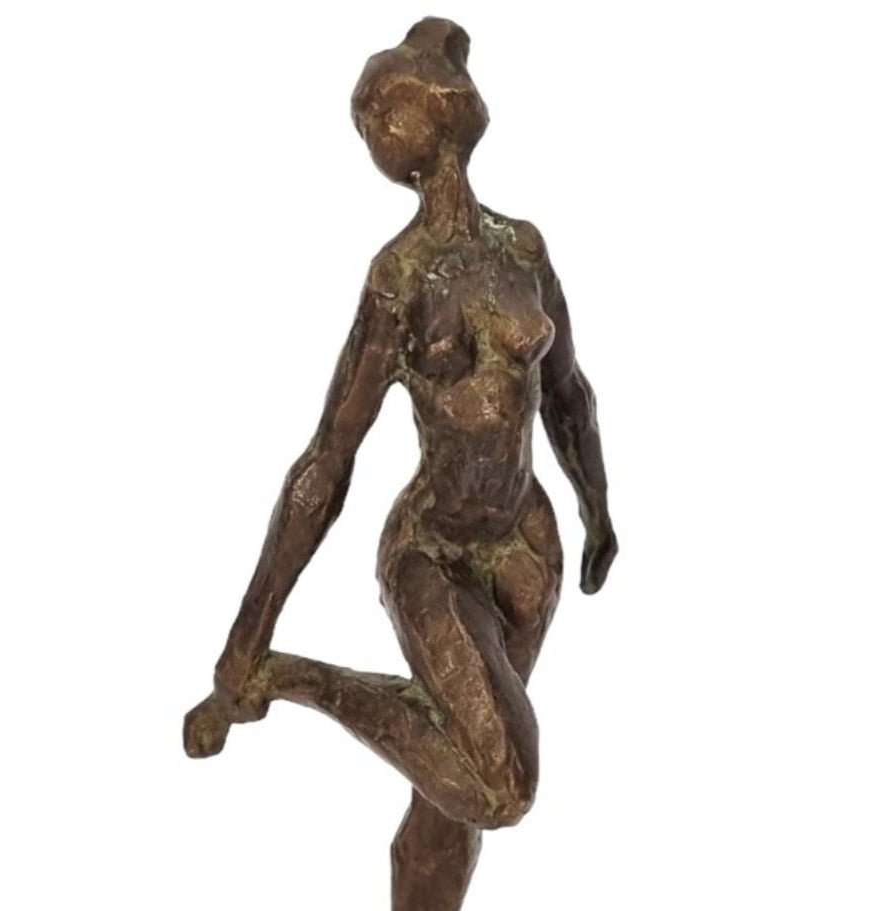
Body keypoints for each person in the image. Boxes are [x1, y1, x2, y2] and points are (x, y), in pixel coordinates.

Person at [184, 17, 617, 911]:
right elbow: (326, 459)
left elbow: (569, 391)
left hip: (526, 549)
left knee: (446, 803)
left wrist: (596, 507)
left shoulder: (523, 249)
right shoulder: (400, 277)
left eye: (381, 114)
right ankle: (295, 678)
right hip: (433, 553)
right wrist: (246, 641)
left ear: (437, 116)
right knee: (499, 785)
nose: (372, 135)